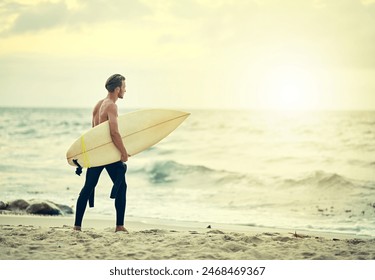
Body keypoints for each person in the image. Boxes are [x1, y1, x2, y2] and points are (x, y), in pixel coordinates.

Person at [73, 74, 130, 233]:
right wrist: (123, 153)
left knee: (88, 188)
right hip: (108, 154)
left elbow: (94, 133)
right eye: (124, 87)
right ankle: (119, 226)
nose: (125, 90)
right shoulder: (112, 106)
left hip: (97, 154)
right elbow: (114, 133)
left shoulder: (98, 105)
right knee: (122, 187)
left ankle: (77, 226)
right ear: (117, 89)